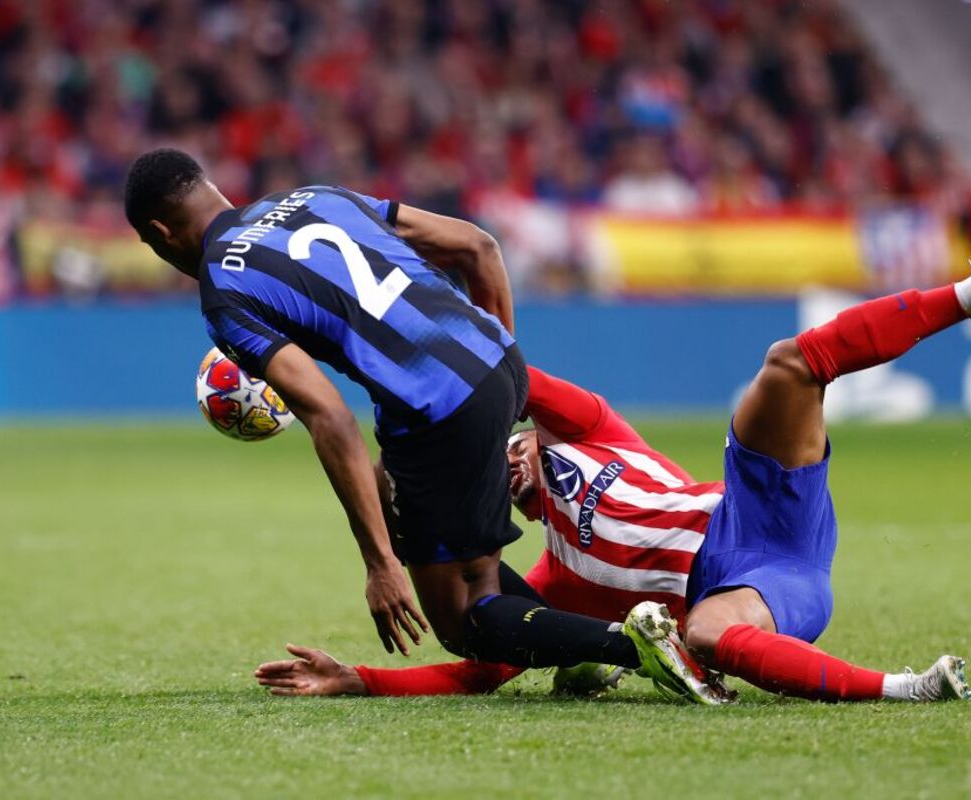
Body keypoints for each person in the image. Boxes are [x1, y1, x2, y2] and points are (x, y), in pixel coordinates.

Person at [254, 196, 971, 704]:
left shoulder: (598, 431)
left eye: (510, 448)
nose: (511, 465)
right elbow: (481, 664)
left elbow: (503, 374)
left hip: (761, 509)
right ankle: (908, 689)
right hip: (769, 582)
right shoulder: (557, 577)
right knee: (703, 635)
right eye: (498, 481)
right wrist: (361, 681)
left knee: (789, 364)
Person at [123, 148, 667, 673]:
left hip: (437, 410)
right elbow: (478, 247)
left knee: (462, 620)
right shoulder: (313, 198)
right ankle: (589, 646)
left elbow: (330, 417)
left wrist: (380, 564)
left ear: (160, 234)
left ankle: (632, 647)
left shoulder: (223, 289)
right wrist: (494, 388)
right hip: (500, 360)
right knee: (390, 492)